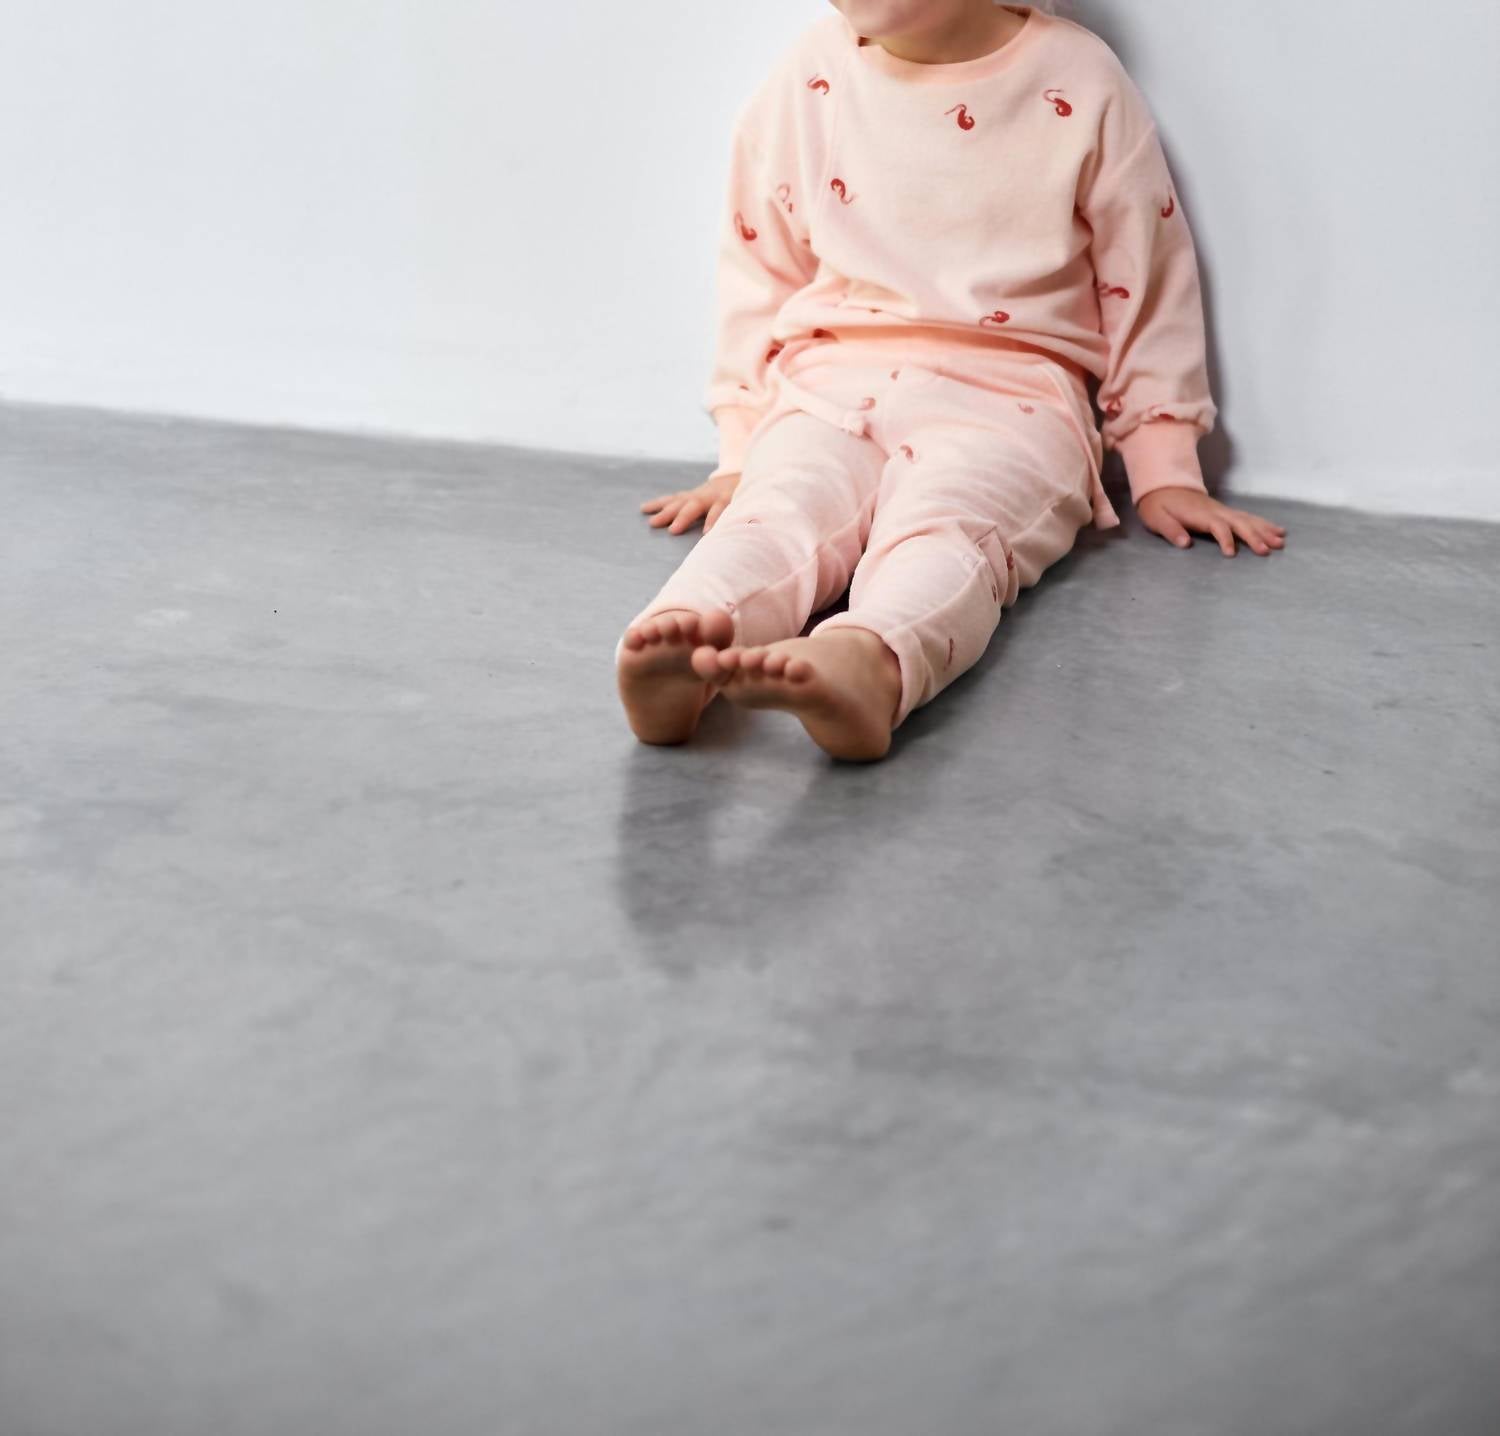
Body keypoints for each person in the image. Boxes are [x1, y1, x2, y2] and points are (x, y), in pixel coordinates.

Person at [616, 1, 1286, 761]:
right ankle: (684, 636)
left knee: (947, 528)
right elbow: (759, 263)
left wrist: (1165, 464)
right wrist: (740, 448)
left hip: (1015, 399)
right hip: (831, 381)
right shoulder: (812, 70)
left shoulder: (1079, 78)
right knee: (776, 509)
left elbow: (1146, 272)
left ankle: (871, 661)